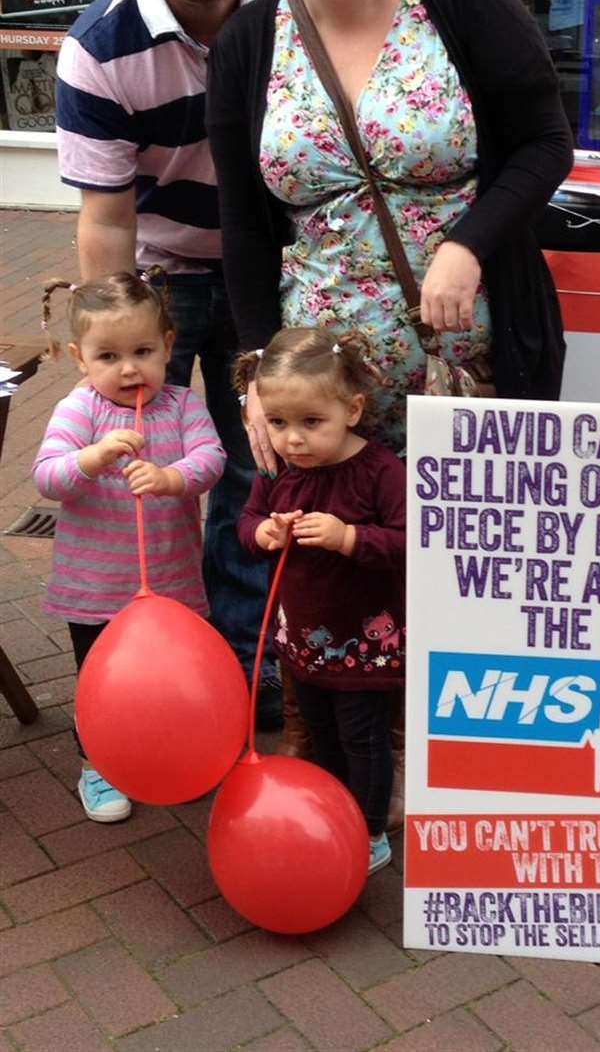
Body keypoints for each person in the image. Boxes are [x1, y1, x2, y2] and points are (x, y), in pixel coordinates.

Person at [207, 0, 569, 804]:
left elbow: (545, 143)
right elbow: (243, 222)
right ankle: (356, 784)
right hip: (331, 392)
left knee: (470, 563)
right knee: (345, 572)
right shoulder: (247, 45)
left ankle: (470, 786)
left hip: (472, 358)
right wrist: (252, 382)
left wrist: (467, 241)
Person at [54, 0, 291, 727]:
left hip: (267, 272)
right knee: (140, 469)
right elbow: (106, 218)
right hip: (164, 276)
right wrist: (109, 337)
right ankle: (143, 667)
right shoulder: (99, 47)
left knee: (249, 467)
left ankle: (238, 662)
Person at [33, 272, 225, 823]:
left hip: (171, 584)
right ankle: (100, 763)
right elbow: (47, 476)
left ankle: (170, 754)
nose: (128, 369)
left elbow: (211, 460)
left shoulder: (183, 405)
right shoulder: (80, 410)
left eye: (143, 351)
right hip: (96, 588)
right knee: (101, 680)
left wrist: (171, 478)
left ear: (168, 345)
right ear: (79, 357)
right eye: (108, 356)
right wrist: (92, 458)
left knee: (169, 678)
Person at [235, 327, 405, 875]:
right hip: (301, 641)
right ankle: (333, 812)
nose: (294, 441)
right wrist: (264, 535)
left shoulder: (380, 471)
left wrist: (348, 537)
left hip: (365, 645)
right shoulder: (280, 471)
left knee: (365, 739)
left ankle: (372, 827)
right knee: (320, 732)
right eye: (279, 424)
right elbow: (247, 522)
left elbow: (412, 542)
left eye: (311, 423)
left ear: (352, 409)